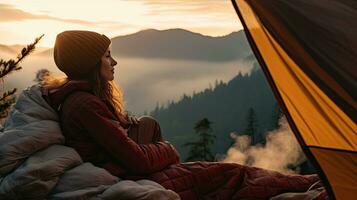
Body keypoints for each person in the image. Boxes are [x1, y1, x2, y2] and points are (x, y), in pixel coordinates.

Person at [41, 30, 320, 200]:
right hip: (123, 175)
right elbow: (137, 161)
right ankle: (315, 187)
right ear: (89, 62)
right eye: (106, 56)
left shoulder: (82, 99)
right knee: (230, 176)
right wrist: (167, 150)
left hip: (117, 169)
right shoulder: (86, 105)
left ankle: (308, 185)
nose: (114, 62)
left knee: (152, 126)